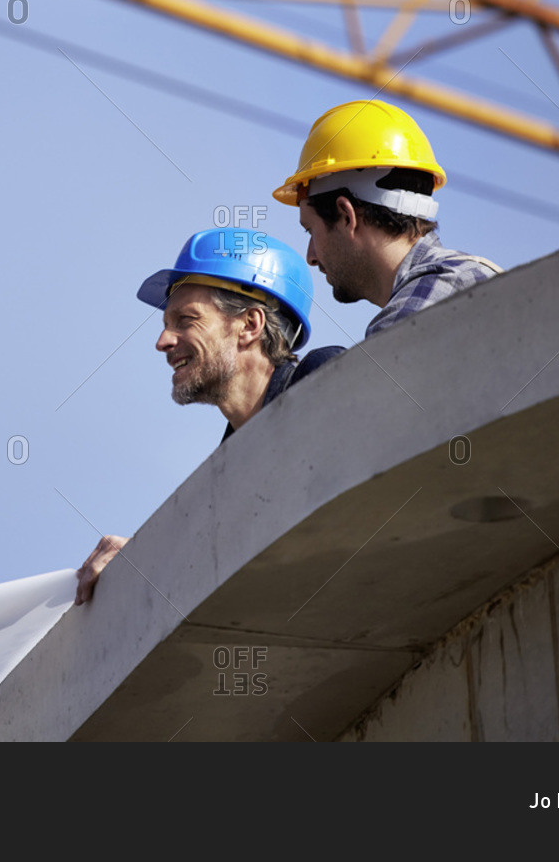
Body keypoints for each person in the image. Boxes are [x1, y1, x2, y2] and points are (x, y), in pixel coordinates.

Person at [73, 227, 345, 605]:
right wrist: (145, 559)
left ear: (249, 325)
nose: (163, 341)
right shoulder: (225, 469)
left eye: (186, 320)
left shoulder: (324, 378)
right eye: (166, 324)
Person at [272, 99, 502, 338]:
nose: (311, 257)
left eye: (310, 230)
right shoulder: (465, 279)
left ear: (346, 216)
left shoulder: (417, 314)